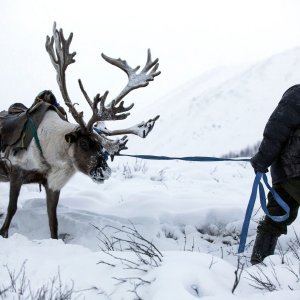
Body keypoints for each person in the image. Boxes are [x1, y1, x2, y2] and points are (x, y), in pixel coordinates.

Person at [250, 84, 300, 265]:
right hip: (292, 168)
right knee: (276, 214)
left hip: (286, 170)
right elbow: (276, 131)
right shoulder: (297, 95)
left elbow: (276, 130)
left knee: (276, 214)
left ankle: (259, 263)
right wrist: (262, 159)